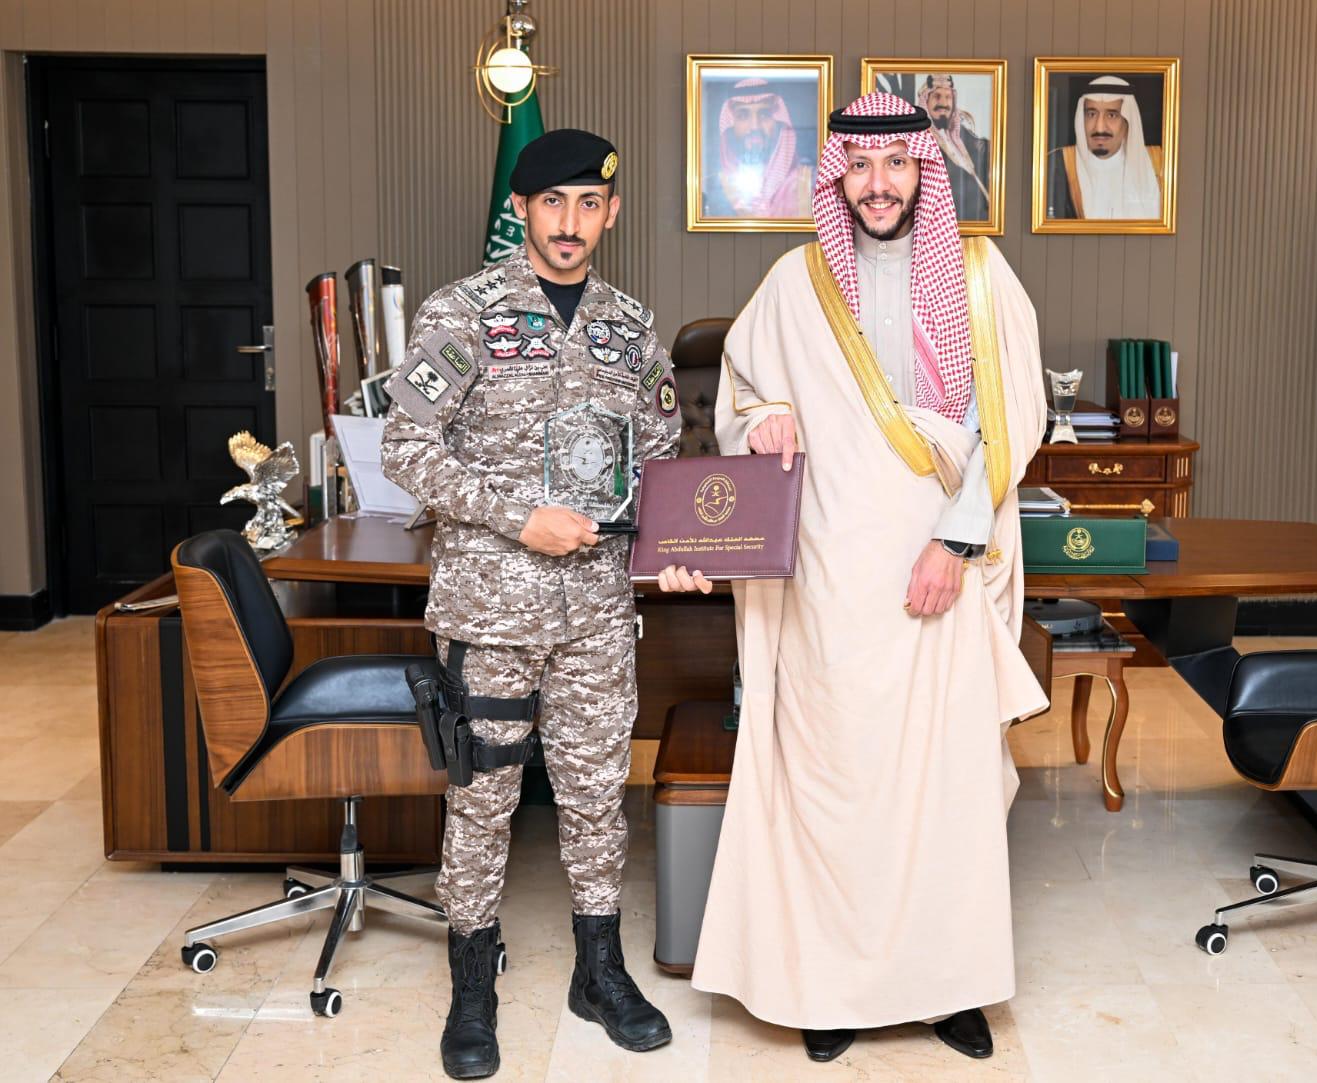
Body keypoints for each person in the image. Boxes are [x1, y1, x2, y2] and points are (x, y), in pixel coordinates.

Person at [659, 93, 1048, 1062]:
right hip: (828, 578)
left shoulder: (982, 276)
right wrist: (765, 421)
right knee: (831, 781)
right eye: (860, 169)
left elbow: (1012, 421)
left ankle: (949, 986)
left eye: (897, 166)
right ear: (836, 178)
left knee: (945, 787)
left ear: (924, 171)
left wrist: (955, 545)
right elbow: (742, 397)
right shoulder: (794, 284)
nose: (879, 187)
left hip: (941, 568)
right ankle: (828, 989)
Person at [381, 128, 680, 1079]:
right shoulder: (461, 313)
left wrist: (675, 552)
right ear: (521, 209)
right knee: (483, 801)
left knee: (596, 796)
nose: (570, 222)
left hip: (597, 613)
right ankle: (472, 987)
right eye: (552, 202)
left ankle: (600, 972)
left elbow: (662, 461)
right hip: (491, 611)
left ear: (611, 212)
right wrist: (519, 517)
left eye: (589, 203)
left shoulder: (631, 327)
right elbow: (406, 449)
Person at [1048, 75, 1164, 220]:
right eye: (1091, 114)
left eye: (1111, 115)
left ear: (1127, 121)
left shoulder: (1159, 163)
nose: (1100, 127)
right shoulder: (1056, 164)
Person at [704, 77, 815, 218]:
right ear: (731, 124)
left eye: (764, 115)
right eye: (743, 116)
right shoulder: (716, 185)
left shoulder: (806, 180)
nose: (755, 126)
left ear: (778, 121)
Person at [918, 74, 991, 221]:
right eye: (937, 96)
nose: (943, 103)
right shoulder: (921, 142)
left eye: (948, 97)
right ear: (926, 101)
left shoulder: (962, 137)